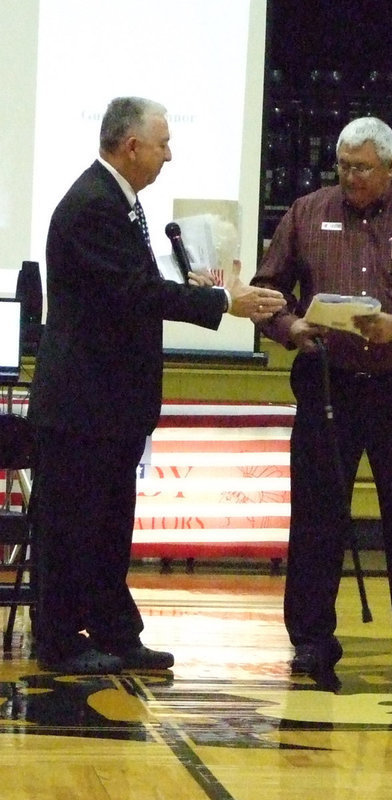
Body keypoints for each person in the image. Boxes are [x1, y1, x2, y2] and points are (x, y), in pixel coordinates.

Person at [28, 96, 285, 674]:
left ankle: (116, 632)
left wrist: (195, 284)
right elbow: (135, 294)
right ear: (132, 146)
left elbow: (132, 287)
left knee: (107, 524)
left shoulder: (119, 203)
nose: (171, 154)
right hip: (82, 403)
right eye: (164, 143)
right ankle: (62, 640)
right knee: (72, 527)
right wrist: (224, 300)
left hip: (107, 403)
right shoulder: (94, 205)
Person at [251, 116, 392, 684]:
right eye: (344, 166)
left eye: (363, 168)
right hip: (330, 386)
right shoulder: (305, 213)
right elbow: (267, 291)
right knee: (318, 518)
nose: (351, 177)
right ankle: (311, 640)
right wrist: (290, 326)